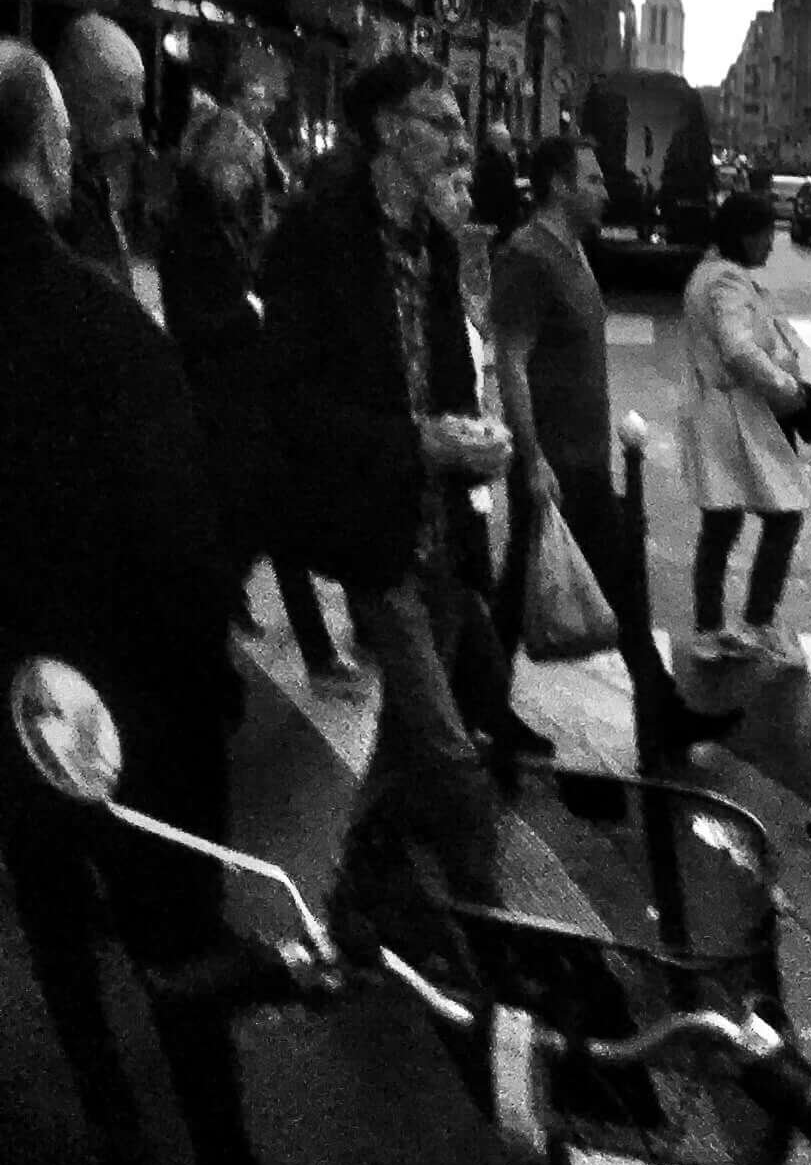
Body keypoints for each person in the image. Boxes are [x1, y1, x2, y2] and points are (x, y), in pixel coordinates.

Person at [0, 39, 267, 1165]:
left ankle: (108, 1111)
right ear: (49, 147)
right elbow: (179, 543)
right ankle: (216, 1151)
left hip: (10, 701)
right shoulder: (103, 328)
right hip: (122, 712)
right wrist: (206, 693)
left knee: (54, 913)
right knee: (174, 944)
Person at [258, 52, 509, 962]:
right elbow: (290, 402)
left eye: (457, 122)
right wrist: (420, 443)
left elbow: (446, 379)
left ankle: (349, 907)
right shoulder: (316, 237)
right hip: (372, 532)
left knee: (405, 743)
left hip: (439, 524)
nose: (459, 140)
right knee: (450, 759)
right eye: (441, 124)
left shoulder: (437, 243)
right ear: (389, 132)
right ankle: (499, 959)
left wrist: (472, 441)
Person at [493, 126, 701, 760]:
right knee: (616, 589)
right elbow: (510, 360)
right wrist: (532, 460)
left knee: (534, 593)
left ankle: (484, 710)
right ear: (559, 186)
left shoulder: (574, 250)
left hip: (581, 456)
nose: (607, 190)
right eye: (593, 180)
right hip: (557, 464)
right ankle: (663, 716)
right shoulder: (528, 255)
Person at [156, 48, 355, 686]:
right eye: (240, 164)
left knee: (261, 528)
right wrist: (251, 312)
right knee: (253, 530)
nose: (249, 173)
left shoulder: (220, 221)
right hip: (222, 402)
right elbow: (193, 324)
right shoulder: (194, 232)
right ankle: (214, 649)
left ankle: (274, 643)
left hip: (242, 398)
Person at [677, 191, 811, 670]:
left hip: (724, 414)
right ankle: (751, 621)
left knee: (723, 520)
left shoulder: (712, 274)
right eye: (766, 234)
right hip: (735, 416)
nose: (772, 245)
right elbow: (738, 348)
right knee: (781, 514)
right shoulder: (726, 283)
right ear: (745, 233)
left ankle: (714, 625)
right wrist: (786, 387)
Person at [47, 10, 146, 273]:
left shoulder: (93, 188)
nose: (136, 132)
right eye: (122, 109)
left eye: (138, 111)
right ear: (70, 96)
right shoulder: (49, 205)